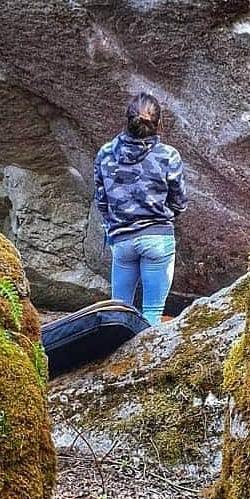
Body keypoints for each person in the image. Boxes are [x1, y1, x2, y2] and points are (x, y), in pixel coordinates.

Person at [93, 92, 188, 325]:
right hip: (157, 239)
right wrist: (162, 216)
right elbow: (179, 201)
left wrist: (116, 223)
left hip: (122, 240)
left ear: (127, 120)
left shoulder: (105, 153)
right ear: (159, 123)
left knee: (118, 310)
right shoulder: (168, 156)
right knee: (153, 314)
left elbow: (101, 200)